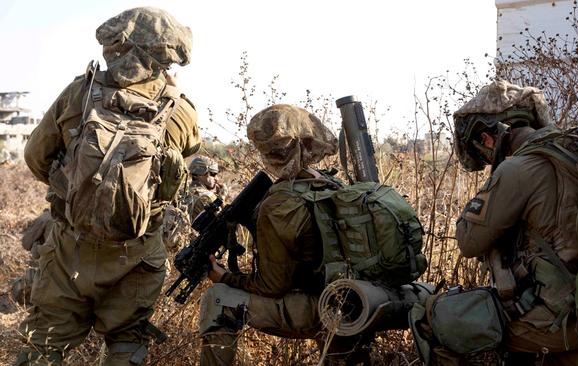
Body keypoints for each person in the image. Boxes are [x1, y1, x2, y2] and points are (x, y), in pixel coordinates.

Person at [17, 7, 200, 365]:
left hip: (70, 249)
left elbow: (35, 156)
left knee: (43, 348)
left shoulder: (81, 92)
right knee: (126, 347)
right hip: (137, 256)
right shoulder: (181, 110)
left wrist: (76, 193)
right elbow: (182, 173)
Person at [445, 80, 578, 365]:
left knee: (437, 322)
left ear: (488, 138)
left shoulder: (517, 169)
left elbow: (468, 241)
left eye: (481, 148)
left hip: (561, 323)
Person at [199, 104, 374, 366]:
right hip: (360, 301)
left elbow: (272, 286)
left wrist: (225, 276)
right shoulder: (329, 183)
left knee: (217, 299)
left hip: (324, 308)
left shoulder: (280, 202)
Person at [186, 156, 221, 221]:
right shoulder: (207, 197)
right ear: (200, 175)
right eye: (213, 174)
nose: (216, 179)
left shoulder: (183, 192)